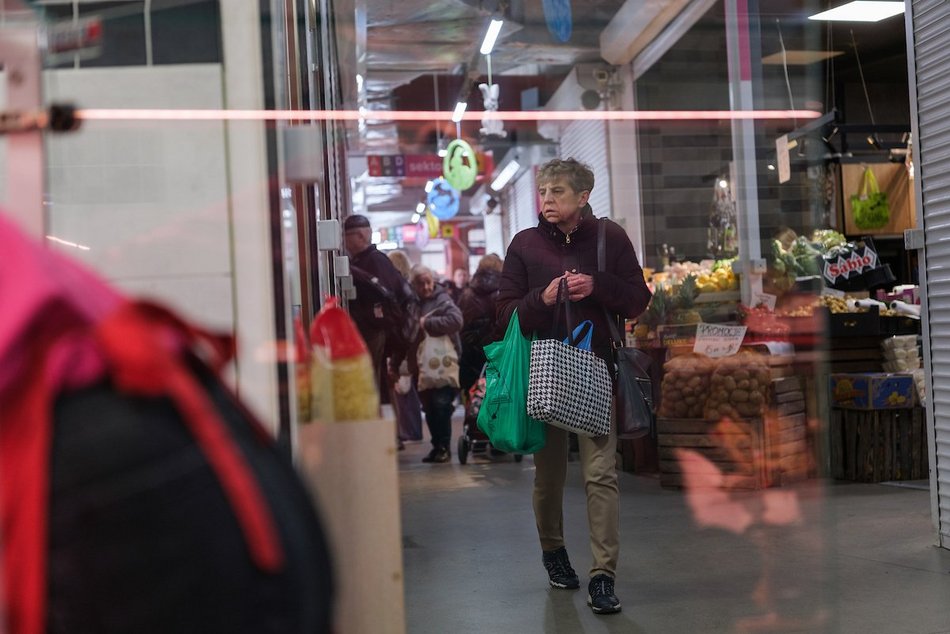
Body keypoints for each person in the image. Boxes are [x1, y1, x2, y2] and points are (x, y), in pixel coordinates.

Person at [496, 158, 651, 615]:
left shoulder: (610, 237)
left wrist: (597, 285)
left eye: (558, 192)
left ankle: (604, 574)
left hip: (597, 369)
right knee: (549, 476)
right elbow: (502, 314)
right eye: (543, 191)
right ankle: (554, 552)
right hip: (544, 373)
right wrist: (540, 300)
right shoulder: (524, 245)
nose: (547, 200)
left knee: (600, 474)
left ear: (583, 197)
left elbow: (638, 298)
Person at [392, 264, 463, 464]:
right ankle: (436, 445)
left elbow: (456, 321)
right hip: (420, 366)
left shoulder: (442, 299)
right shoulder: (410, 303)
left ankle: (444, 447)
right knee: (429, 408)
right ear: (413, 285)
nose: (426, 287)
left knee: (441, 405)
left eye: (428, 282)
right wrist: (396, 363)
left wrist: (428, 324)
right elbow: (405, 335)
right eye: (421, 283)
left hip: (443, 363)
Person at [343, 214, 415, 397]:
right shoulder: (369, 261)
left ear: (360, 236)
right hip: (378, 337)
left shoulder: (374, 262)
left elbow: (387, 303)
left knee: (376, 388)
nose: (343, 241)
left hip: (376, 335)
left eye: (346, 236)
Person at [386, 250, 424, 445]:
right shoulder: (412, 286)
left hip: (402, 345)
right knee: (408, 389)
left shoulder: (396, 288)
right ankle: (412, 429)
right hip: (413, 345)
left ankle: (408, 430)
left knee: (403, 390)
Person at [457, 253, 503, 399]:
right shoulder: (503, 293)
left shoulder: (466, 295)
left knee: (474, 402)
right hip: (498, 356)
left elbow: (461, 328)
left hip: (470, 359)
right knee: (501, 403)